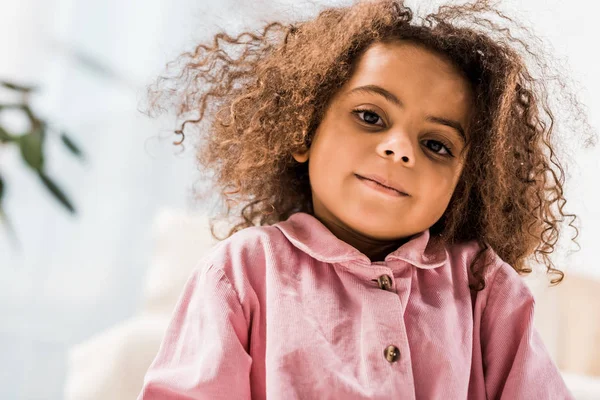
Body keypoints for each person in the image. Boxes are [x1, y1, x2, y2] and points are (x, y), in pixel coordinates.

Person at [137, 0, 596, 398]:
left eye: (436, 144)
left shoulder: (484, 286)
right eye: (370, 116)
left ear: (464, 185)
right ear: (304, 130)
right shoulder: (242, 270)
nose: (399, 148)